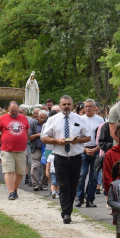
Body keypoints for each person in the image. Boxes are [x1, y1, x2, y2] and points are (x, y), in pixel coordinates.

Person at [40, 95, 92, 223]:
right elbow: (44, 138)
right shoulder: (53, 119)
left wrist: (77, 140)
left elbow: (88, 137)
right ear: (60, 105)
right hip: (60, 157)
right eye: (64, 104)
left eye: (68, 104)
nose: (66, 106)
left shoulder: (79, 119)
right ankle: (66, 213)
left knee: (73, 185)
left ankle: (69, 210)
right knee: (63, 185)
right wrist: (56, 141)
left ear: (72, 105)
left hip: (75, 157)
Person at [0, 101, 31, 200]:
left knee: (20, 172)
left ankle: (15, 190)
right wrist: (2, 141)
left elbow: (26, 131)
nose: (14, 112)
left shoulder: (23, 118)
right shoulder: (2, 118)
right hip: (7, 150)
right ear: (8, 109)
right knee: (8, 170)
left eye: (16, 111)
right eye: (12, 111)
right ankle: (10, 192)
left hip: (21, 149)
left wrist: (21, 139)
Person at [76, 99, 104, 207]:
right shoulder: (80, 119)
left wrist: (97, 149)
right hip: (83, 149)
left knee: (94, 176)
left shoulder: (100, 119)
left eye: (90, 106)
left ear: (94, 107)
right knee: (82, 174)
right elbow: (76, 136)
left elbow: (103, 137)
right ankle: (80, 197)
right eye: (86, 106)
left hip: (96, 150)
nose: (87, 108)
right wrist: (84, 149)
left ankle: (90, 199)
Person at [28, 110, 49, 191]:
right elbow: (29, 137)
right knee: (35, 166)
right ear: (38, 117)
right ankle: (35, 184)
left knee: (45, 167)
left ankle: (44, 184)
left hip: (46, 148)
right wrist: (38, 134)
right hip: (36, 148)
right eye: (41, 118)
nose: (43, 119)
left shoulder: (48, 124)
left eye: (44, 118)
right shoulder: (33, 124)